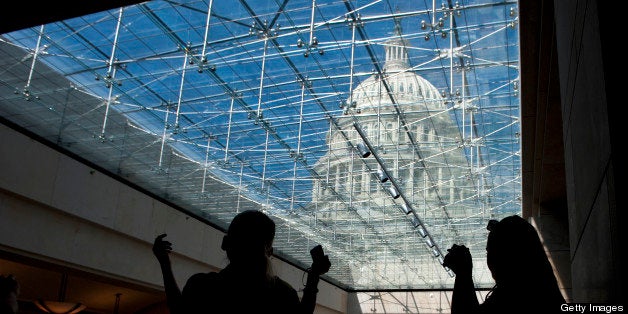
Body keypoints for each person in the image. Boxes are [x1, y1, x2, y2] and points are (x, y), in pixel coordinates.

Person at [152, 210, 331, 314]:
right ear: (270, 251)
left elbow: (178, 308)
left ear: (225, 243)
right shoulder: (282, 294)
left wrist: (165, 264)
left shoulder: (202, 286)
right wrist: (314, 275)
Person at [443, 215, 565, 314]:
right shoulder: (543, 291)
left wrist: (463, 274)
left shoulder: (512, 296)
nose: (489, 260)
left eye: (490, 251)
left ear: (505, 257)